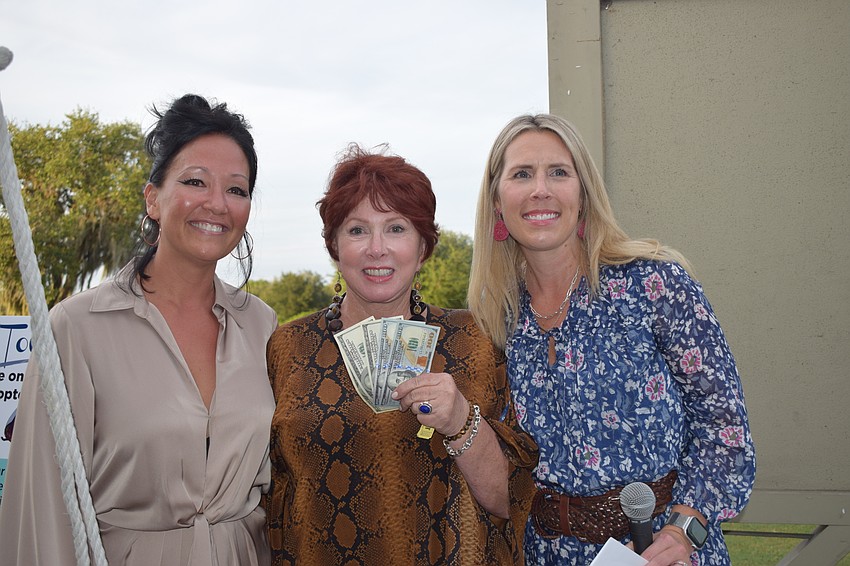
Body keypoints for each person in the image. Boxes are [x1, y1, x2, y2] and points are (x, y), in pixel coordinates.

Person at [0, 94, 278, 565]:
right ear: (153, 199)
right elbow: (42, 502)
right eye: (195, 181)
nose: (217, 204)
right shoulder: (78, 327)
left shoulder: (262, 325)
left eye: (237, 189)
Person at [468, 114, 756, 566]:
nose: (540, 189)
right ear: (497, 201)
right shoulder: (496, 317)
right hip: (546, 554)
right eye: (521, 174)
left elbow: (725, 429)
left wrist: (683, 532)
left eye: (558, 172)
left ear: (583, 195)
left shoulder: (654, 283)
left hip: (661, 551)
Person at [265, 144, 538, 565]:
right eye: (357, 230)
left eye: (396, 228)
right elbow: (274, 496)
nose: (377, 249)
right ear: (334, 245)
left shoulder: (477, 340)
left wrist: (462, 421)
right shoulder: (288, 346)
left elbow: (514, 501)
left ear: (423, 246)